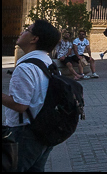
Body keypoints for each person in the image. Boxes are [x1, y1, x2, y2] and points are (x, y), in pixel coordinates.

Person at [2, 19, 62, 172]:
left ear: (34, 39)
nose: (22, 32)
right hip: (44, 130)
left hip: (24, 132)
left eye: (27, 30)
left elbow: (20, 105)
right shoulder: (49, 63)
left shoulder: (26, 67)